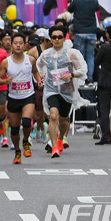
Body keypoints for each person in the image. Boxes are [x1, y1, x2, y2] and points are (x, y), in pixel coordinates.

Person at [36, 25, 88, 157]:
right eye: (54, 37)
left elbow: (83, 70)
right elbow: (39, 65)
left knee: (64, 120)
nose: (57, 39)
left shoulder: (72, 53)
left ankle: (60, 140)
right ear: (50, 39)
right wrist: (41, 76)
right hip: (51, 89)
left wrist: (71, 75)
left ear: (64, 38)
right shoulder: (45, 54)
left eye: (60, 37)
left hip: (67, 90)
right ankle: (53, 147)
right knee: (53, 116)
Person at [0, 34, 41, 164]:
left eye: (20, 43)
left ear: (24, 45)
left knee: (27, 122)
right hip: (13, 97)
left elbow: (35, 72)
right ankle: (17, 151)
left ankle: (26, 141)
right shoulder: (6, 62)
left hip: (28, 96)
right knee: (14, 128)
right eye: (15, 43)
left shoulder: (31, 60)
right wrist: (6, 80)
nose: (18, 45)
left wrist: (38, 80)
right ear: (11, 45)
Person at [67, 0, 104, 81]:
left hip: (79, 32)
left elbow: (70, 9)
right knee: (90, 57)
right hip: (91, 32)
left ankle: (80, 77)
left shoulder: (77, 1)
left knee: (80, 56)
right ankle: (90, 77)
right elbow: (97, 8)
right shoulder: (94, 1)